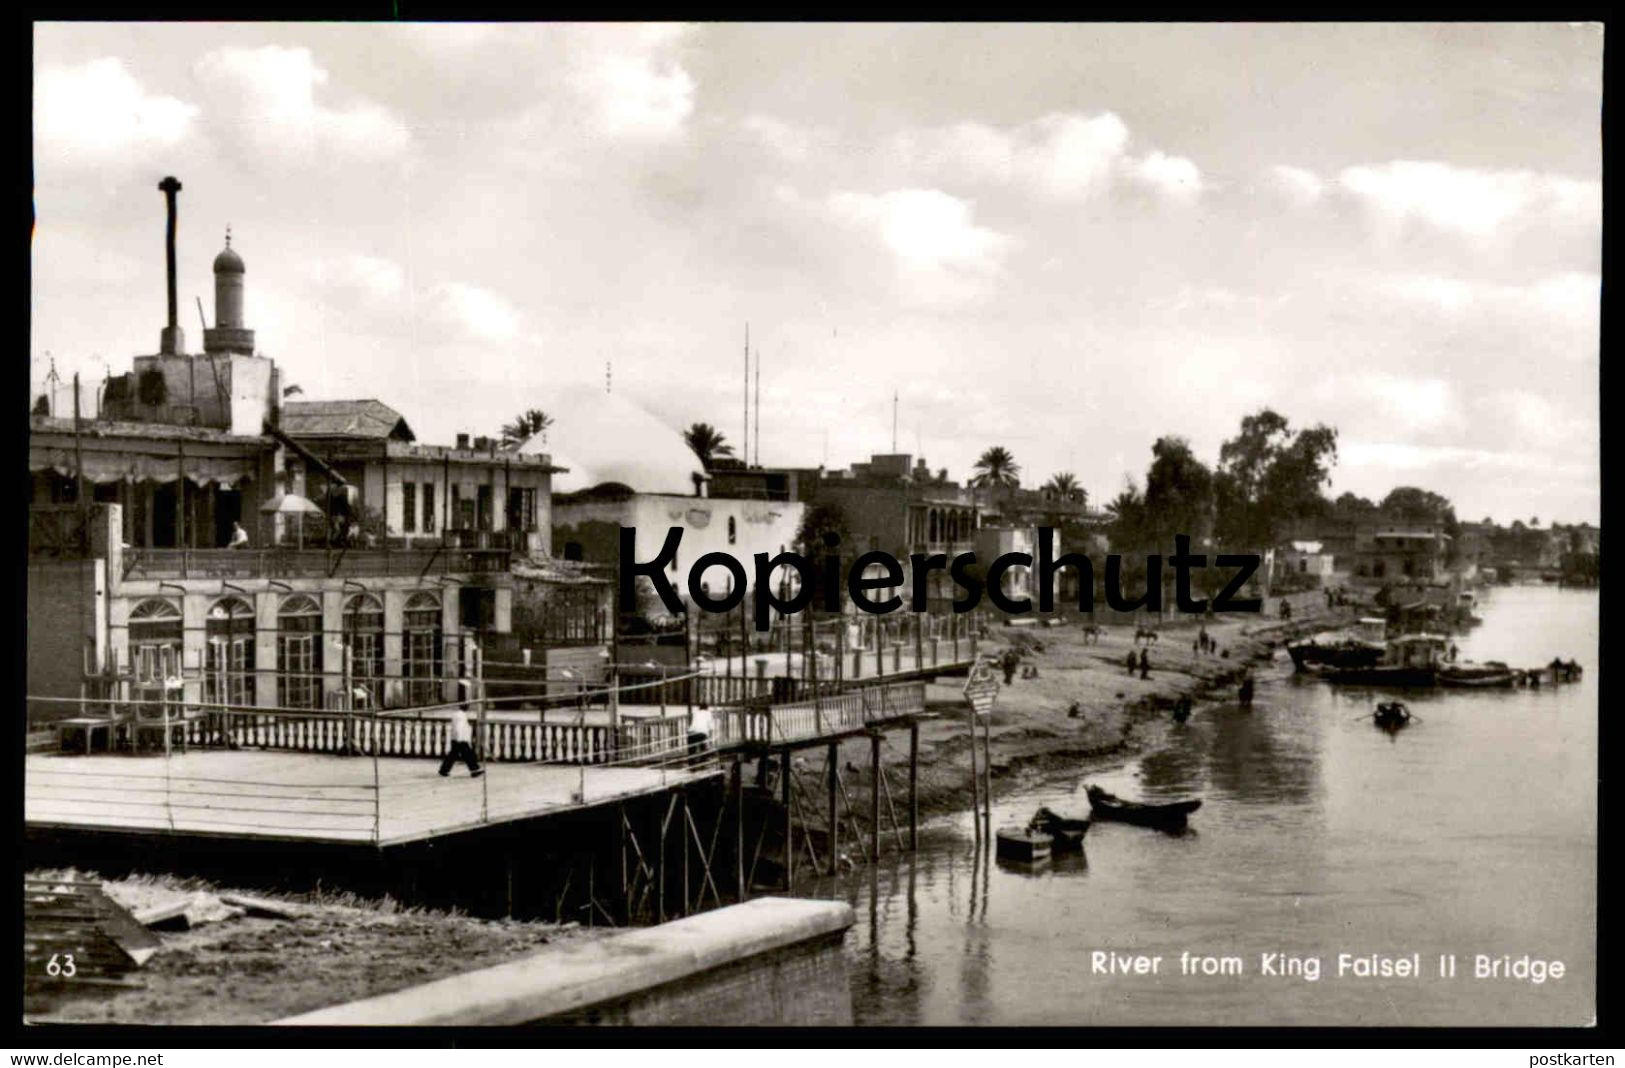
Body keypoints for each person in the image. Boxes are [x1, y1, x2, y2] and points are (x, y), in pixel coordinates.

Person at [439, 704, 484, 778]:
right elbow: (459, 727)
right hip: (460, 739)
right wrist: (459, 738)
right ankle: (474, 770)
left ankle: (444, 770)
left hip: (456, 738)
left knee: (453, 755)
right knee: (467, 754)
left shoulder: (456, 714)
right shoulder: (462, 716)